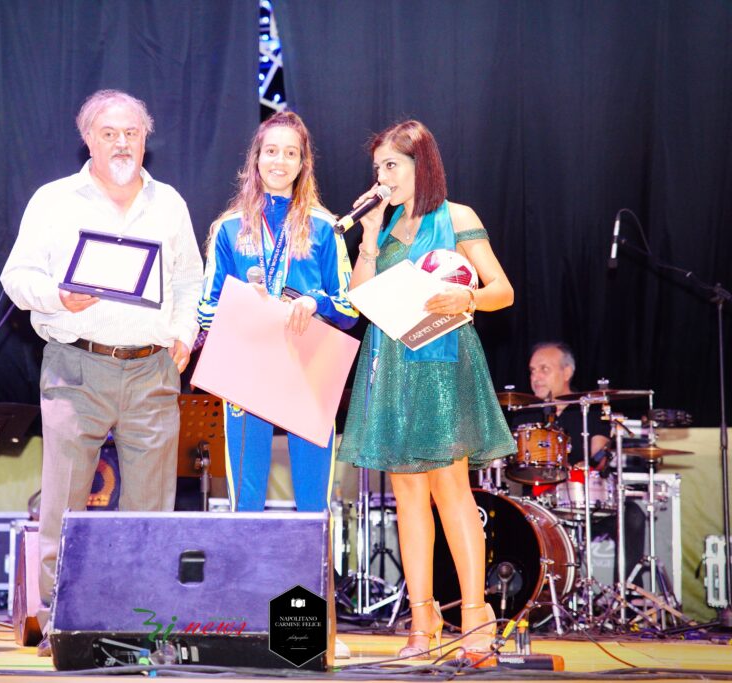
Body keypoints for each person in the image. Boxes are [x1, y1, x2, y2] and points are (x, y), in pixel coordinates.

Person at [0, 90, 203, 656]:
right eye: (110, 132)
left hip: (152, 370)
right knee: (64, 502)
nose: (122, 142)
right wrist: (58, 296)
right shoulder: (54, 200)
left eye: (133, 132)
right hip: (76, 366)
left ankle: (143, 627)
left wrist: (185, 334)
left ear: (146, 138)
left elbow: (190, 278)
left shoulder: (170, 204)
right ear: (87, 138)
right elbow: (16, 276)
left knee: (152, 508)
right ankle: (61, 621)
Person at [337, 120, 516, 658]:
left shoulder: (456, 217)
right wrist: (367, 240)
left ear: (422, 166)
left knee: (451, 493)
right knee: (408, 499)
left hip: (442, 366)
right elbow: (356, 302)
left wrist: (468, 301)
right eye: (378, 169)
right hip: (391, 366)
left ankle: (477, 620)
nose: (383, 177)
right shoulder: (384, 229)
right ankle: (421, 622)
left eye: (392, 166)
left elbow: (502, 291)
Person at [197, 111, 357, 512]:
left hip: (309, 363)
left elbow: (351, 305)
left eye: (290, 153)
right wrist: (244, 306)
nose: (279, 161)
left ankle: (306, 579)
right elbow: (205, 310)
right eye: (271, 151)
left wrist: (313, 300)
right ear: (256, 158)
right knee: (245, 500)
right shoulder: (228, 229)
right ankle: (250, 577)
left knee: (312, 503)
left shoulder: (325, 227)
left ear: (304, 164)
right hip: (248, 364)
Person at [510, 341, 647, 584]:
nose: (536, 377)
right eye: (532, 370)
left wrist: (589, 463)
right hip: (539, 506)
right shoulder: (525, 413)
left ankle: (624, 595)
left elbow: (600, 455)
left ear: (566, 372)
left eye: (544, 369)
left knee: (633, 516)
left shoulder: (590, 408)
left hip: (585, 499)